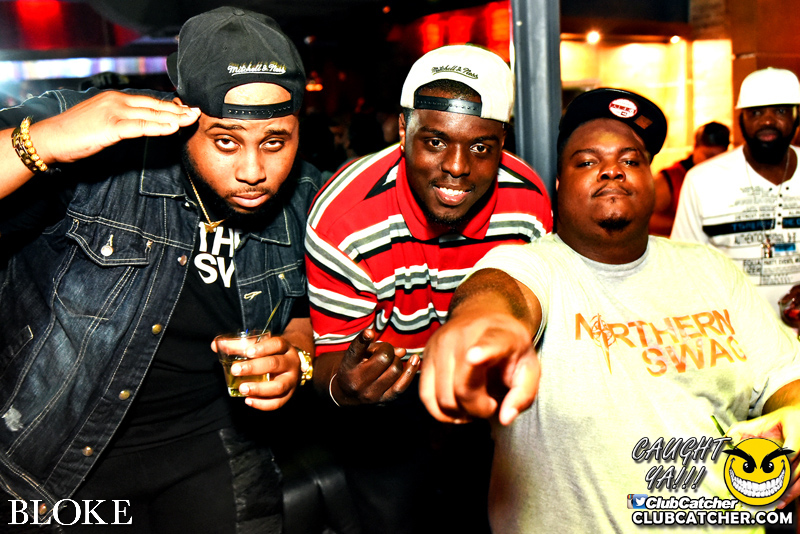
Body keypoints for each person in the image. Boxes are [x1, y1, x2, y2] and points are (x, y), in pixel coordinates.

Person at [420, 88, 800, 533]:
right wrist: (485, 327)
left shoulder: (711, 269)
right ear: (559, 186)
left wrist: (794, 413)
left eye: (631, 160)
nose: (612, 170)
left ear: (652, 181)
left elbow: (783, 376)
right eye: (586, 162)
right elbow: (498, 293)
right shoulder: (537, 266)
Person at [0, 7, 320, 532]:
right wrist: (45, 141)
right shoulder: (101, 146)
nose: (253, 171)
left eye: (274, 142)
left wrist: (297, 358)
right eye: (226, 140)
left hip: (216, 447)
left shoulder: (307, 198)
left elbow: (306, 316)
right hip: (58, 453)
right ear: (183, 115)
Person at [305, 44, 552, 533]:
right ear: (402, 131)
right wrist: (344, 386)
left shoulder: (526, 205)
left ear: (502, 142)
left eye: (480, 147)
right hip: (386, 414)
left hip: (486, 398)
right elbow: (332, 360)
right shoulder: (344, 219)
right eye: (435, 141)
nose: (457, 167)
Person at [672, 68, 800, 328]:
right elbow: (683, 267)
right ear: (740, 118)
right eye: (756, 112)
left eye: (780, 111)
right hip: (734, 336)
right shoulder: (702, 180)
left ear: (796, 115)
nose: (767, 121)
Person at [649, 121, 730, 236]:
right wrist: (689, 225)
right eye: (709, 156)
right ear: (695, 147)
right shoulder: (668, 179)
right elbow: (644, 219)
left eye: (721, 157)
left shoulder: (726, 177)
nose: (714, 163)